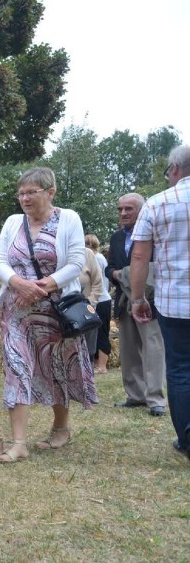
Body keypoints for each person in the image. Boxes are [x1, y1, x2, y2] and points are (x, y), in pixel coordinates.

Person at [0, 167, 98, 463]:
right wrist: (17, 283)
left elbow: (76, 262)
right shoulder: (13, 222)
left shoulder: (68, 219)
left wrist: (43, 286)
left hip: (55, 310)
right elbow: (0, 260)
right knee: (17, 367)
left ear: (50, 192)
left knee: (57, 368)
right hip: (17, 310)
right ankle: (19, 443)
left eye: (31, 192)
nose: (24, 198)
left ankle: (61, 427)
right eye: (21, 193)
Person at [130, 145, 190, 460]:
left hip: (176, 303)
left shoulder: (158, 203)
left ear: (175, 169)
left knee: (180, 368)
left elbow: (140, 255)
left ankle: (187, 440)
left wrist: (138, 297)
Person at [105, 194, 166, 417]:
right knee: (129, 350)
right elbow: (109, 267)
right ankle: (136, 395)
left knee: (153, 348)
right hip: (124, 300)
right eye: (120, 209)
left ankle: (156, 399)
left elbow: (158, 267)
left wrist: (132, 275)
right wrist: (115, 273)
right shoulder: (116, 238)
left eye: (128, 209)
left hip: (150, 301)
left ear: (142, 210)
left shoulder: (157, 236)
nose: (123, 213)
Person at [85, 234, 112, 373]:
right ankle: (96, 363)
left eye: (87, 243)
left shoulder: (97, 258)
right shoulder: (95, 257)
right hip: (97, 299)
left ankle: (102, 365)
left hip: (101, 300)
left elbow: (99, 281)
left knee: (101, 333)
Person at [78, 245, 106, 364]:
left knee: (88, 354)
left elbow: (98, 284)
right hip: (61, 315)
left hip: (87, 314)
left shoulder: (86, 253)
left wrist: (88, 305)